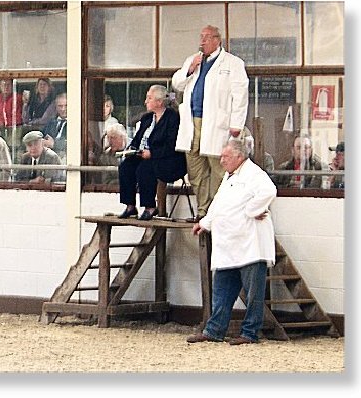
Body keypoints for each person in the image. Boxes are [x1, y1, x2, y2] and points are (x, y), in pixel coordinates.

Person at [186, 139, 277, 345]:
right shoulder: (229, 176)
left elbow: (269, 192)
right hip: (228, 245)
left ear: (239, 156)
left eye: (226, 156)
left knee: (253, 293)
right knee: (222, 290)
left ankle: (250, 333)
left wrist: (253, 210)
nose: (221, 160)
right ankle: (214, 329)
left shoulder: (254, 174)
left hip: (250, 244)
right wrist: (205, 222)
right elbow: (219, 204)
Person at [172, 25, 249, 221]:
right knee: (196, 170)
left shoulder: (232, 63)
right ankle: (202, 211)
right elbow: (177, 83)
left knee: (219, 169)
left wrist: (236, 124)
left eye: (207, 37)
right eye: (201, 37)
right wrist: (190, 69)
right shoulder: (193, 60)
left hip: (217, 123)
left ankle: (218, 212)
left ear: (217, 40)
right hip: (192, 123)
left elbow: (240, 96)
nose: (202, 41)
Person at [117, 85, 187, 220]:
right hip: (143, 155)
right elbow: (137, 139)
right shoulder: (147, 118)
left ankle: (150, 207)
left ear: (159, 102)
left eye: (149, 98)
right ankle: (130, 206)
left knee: (145, 168)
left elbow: (171, 145)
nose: (145, 102)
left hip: (167, 159)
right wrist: (131, 150)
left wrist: (152, 153)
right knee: (126, 166)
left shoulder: (172, 118)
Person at [41, 93, 68, 160]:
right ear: (56, 107)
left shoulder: (75, 123)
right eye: (60, 106)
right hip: (49, 158)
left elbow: (73, 143)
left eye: (66, 105)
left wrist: (54, 144)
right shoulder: (51, 122)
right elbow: (42, 136)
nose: (63, 109)